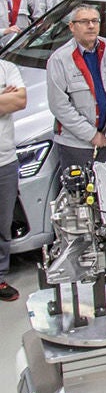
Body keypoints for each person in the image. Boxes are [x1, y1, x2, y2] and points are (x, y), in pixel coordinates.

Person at [45, 2, 106, 168]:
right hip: (75, 145)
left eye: (95, 21)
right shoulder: (59, 59)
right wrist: (92, 135)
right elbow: (59, 106)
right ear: (72, 26)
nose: (91, 26)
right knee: (81, 192)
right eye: (84, 22)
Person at [0, 43, 27, 299]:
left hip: (5, 160)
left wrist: (11, 98)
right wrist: (2, 98)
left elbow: (20, 100)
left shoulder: (7, 68)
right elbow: (10, 101)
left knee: (2, 223)